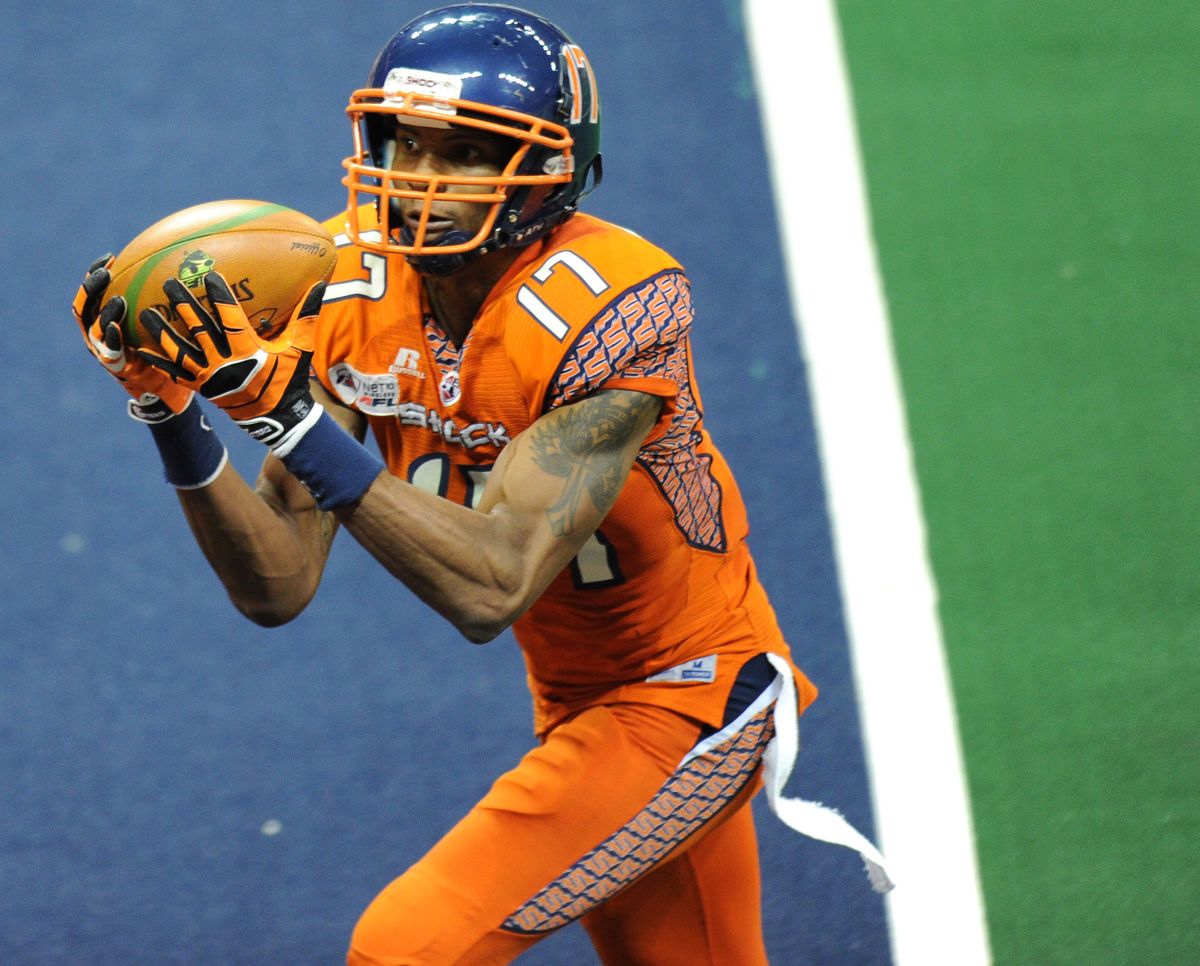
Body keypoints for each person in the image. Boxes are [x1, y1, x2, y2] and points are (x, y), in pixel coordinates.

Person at [72, 5, 890, 963]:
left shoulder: (615, 305)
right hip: (578, 698)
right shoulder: (347, 288)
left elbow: (490, 586)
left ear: (549, 168)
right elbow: (278, 582)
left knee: (404, 946)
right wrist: (173, 413)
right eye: (405, 144)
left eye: (461, 152)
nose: (419, 178)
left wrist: (290, 419)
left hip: (690, 694)